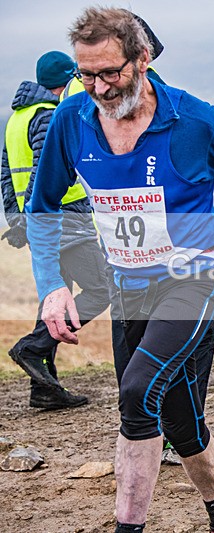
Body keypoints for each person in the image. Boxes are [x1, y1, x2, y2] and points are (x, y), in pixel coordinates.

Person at [26, 8, 214, 532]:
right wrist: (52, 285)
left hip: (195, 277)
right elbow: (42, 206)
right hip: (128, 286)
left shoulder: (196, 122)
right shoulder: (71, 119)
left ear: (142, 59)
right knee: (173, 412)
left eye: (112, 72)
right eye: (87, 75)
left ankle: (128, 528)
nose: (100, 87)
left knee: (136, 392)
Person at [57, 12, 214, 464]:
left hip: (167, 255)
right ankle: (162, 434)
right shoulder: (93, 101)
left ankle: (179, 432)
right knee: (153, 358)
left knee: (173, 349)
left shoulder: (145, 95)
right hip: (130, 254)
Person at [1, 51, 107, 410]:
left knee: (53, 298)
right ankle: (33, 347)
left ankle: (44, 388)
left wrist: (16, 219)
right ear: (67, 80)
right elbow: (42, 174)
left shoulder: (17, 119)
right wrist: (34, 214)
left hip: (41, 223)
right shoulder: (49, 115)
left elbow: (6, 174)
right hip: (65, 219)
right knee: (102, 287)